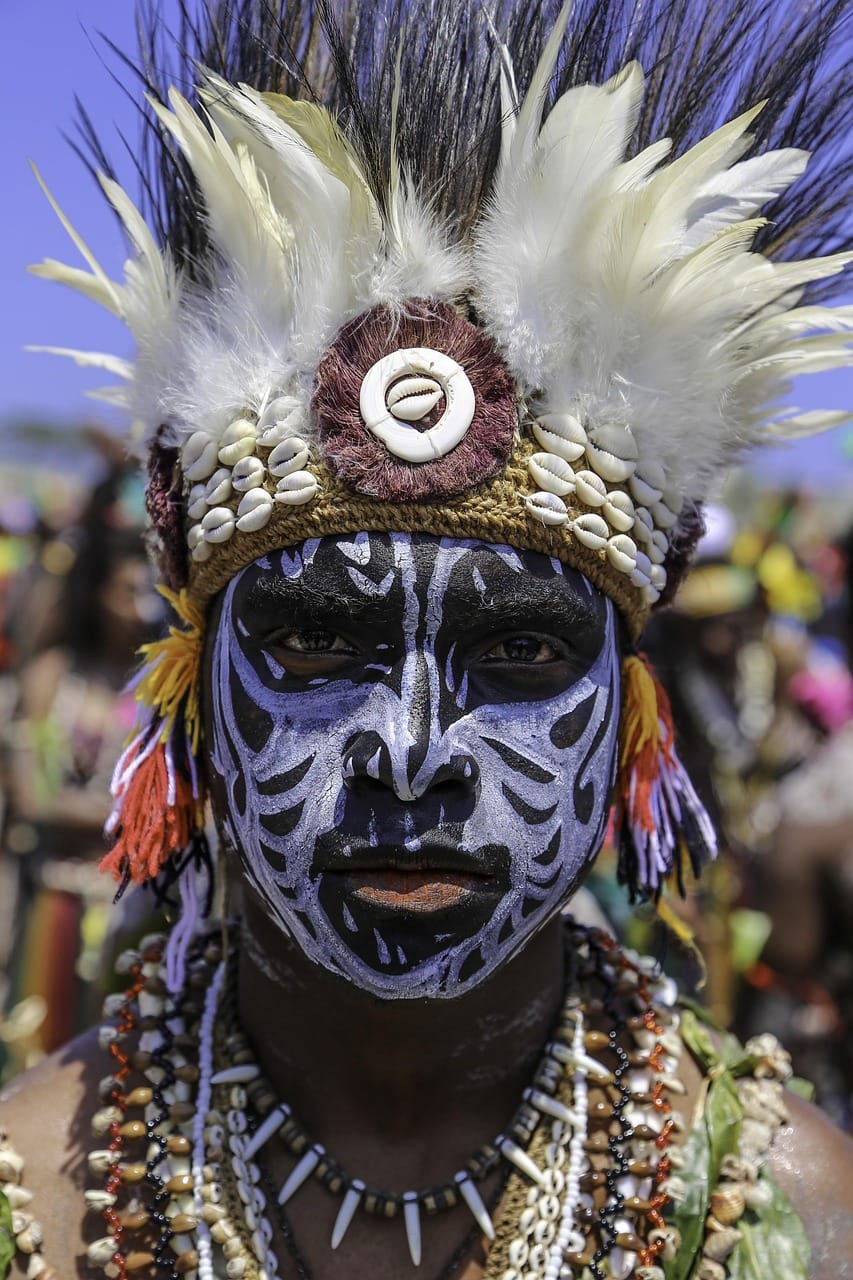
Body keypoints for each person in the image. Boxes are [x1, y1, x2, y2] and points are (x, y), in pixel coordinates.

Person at [1, 1, 852, 1277]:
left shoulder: (791, 1212)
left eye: (517, 652)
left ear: (632, 709)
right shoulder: (37, 1207)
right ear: (190, 688)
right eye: (312, 641)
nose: (412, 755)